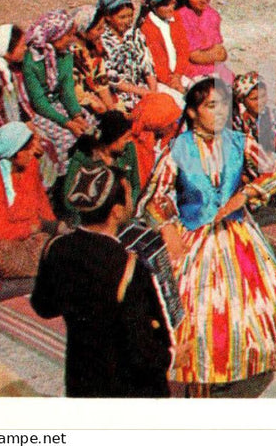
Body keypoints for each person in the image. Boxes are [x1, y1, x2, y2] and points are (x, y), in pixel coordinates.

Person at [138, 78, 276, 396]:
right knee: (196, 315)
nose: (220, 112)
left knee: (246, 308)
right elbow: (151, 201)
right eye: (211, 105)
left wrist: (250, 192)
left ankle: (230, 368)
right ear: (193, 113)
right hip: (193, 239)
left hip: (237, 236)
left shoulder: (240, 141)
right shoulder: (177, 150)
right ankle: (199, 388)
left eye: (224, 104)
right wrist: (167, 228)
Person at [32, 164, 173, 397]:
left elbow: (44, 307)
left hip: (81, 379)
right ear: (116, 211)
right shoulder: (127, 266)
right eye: (128, 195)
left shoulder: (55, 247)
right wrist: (172, 355)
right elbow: (142, 349)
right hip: (127, 388)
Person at [0, 23, 66, 185]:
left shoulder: (9, 72)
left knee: (48, 143)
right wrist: (22, 140)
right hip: (2, 135)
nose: (25, 49)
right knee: (35, 155)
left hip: (16, 128)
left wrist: (31, 131)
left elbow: (20, 106)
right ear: (6, 50)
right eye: (20, 46)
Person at [0, 122, 57, 279]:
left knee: (59, 245)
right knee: (7, 259)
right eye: (27, 149)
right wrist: (32, 229)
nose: (32, 152)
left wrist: (53, 228)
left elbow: (41, 201)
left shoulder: (31, 165)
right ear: (13, 152)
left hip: (30, 234)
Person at [22, 10, 94, 160]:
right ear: (54, 36)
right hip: (41, 112)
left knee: (90, 126)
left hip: (58, 104)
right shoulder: (32, 61)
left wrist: (76, 115)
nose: (71, 40)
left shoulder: (65, 54)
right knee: (65, 141)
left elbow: (67, 89)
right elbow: (39, 102)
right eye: (68, 35)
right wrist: (67, 123)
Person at [58, 110, 141, 226]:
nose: (128, 141)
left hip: (119, 216)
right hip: (90, 220)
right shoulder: (84, 156)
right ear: (114, 137)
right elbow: (68, 197)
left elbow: (136, 184)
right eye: (125, 138)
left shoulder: (128, 150)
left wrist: (127, 207)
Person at [232, 71, 276, 196]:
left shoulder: (266, 116)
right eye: (254, 99)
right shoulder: (237, 123)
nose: (260, 102)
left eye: (262, 97)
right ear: (242, 100)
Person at [94, 0, 160, 113]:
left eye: (130, 16)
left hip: (142, 88)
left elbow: (147, 65)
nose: (127, 21)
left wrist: (153, 91)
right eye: (122, 17)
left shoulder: (134, 34)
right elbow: (110, 77)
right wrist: (142, 92)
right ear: (108, 17)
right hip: (118, 94)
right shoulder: (102, 40)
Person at [134, 0, 192, 102]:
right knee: (180, 102)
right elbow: (156, 59)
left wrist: (177, 75)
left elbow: (183, 49)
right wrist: (171, 82)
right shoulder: (147, 27)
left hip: (178, 75)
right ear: (155, 6)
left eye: (173, 4)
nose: (171, 8)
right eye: (166, 5)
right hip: (160, 79)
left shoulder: (174, 19)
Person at [175, 0, 233, 83]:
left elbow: (220, 51)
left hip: (214, 67)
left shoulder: (212, 14)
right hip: (192, 70)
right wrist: (217, 54)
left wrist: (216, 54)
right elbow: (194, 56)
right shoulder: (181, 17)